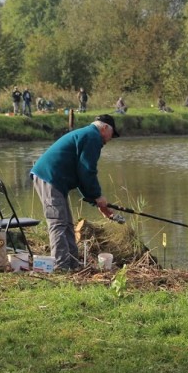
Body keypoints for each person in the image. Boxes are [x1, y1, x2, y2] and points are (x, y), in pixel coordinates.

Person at [30, 114, 120, 271]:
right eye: (112, 134)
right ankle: (60, 267)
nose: (110, 139)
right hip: (49, 178)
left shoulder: (88, 134)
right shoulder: (93, 137)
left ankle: (72, 264)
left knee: (67, 224)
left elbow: (81, 176)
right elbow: (87, 171)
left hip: (55, 180)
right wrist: (97, 196)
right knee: (57, 223)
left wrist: (95, 200)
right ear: (104, 127)